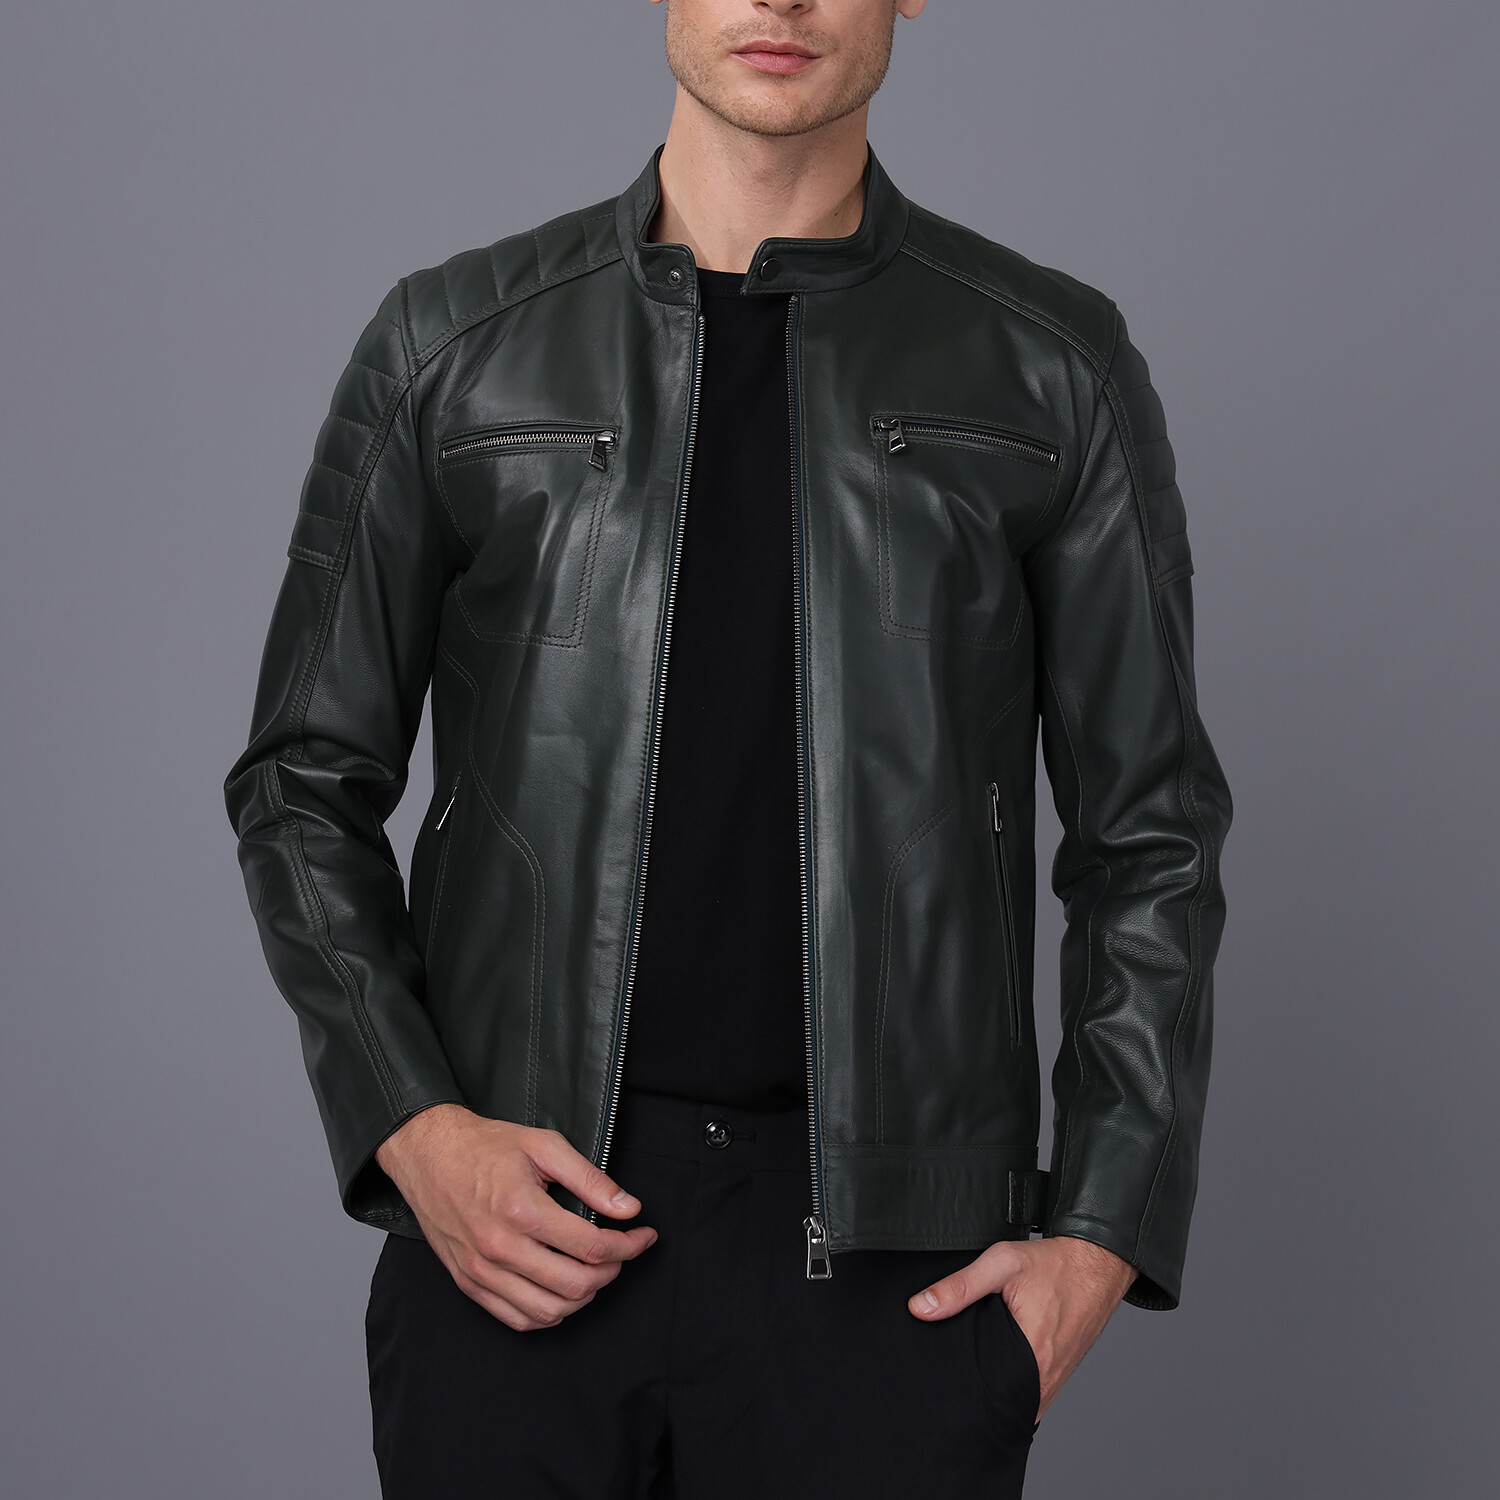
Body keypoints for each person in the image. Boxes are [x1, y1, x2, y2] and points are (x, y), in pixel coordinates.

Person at [225, 1, 1232, 1494]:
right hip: (522, 1236)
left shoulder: (1049, 366)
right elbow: (301, 781)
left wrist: (1098, 1236)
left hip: (893, 1274)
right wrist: (416, 1130)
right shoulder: (452, 346)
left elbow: (1153, 834)